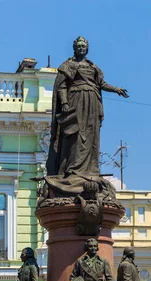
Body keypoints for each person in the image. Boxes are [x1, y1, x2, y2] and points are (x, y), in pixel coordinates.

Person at [46, 36, 128, 177]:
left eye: (83, 46)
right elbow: (62, 86)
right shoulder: (68, 65)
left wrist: (116, 89)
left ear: (87, 49)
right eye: (79, 46)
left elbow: (101, 84)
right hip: (76, 101)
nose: (81, 49)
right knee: (76, 134)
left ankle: (89, 169)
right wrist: (64, 102)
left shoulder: (92, 66)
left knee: (91, 136)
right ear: (74, 48)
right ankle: (72, 169)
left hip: (92, 103)